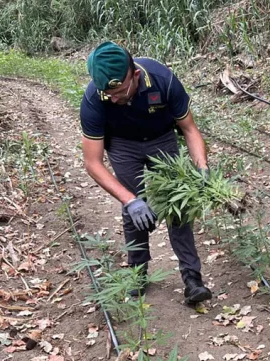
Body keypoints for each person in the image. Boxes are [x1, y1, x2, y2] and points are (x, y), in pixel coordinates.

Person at [79, 41, 212, 305]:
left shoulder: (163, 80)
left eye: (119, 91)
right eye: (108, 94)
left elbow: (189, 129)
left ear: (135, 75)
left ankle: (192, 278)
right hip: (122, 144)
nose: (114, 99)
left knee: (178, 205)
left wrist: (202, 168)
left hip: (162, 139)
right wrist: (130, 200)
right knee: (135, 210)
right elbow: (92, 162)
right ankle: (138, 271)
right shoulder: (94, 98)